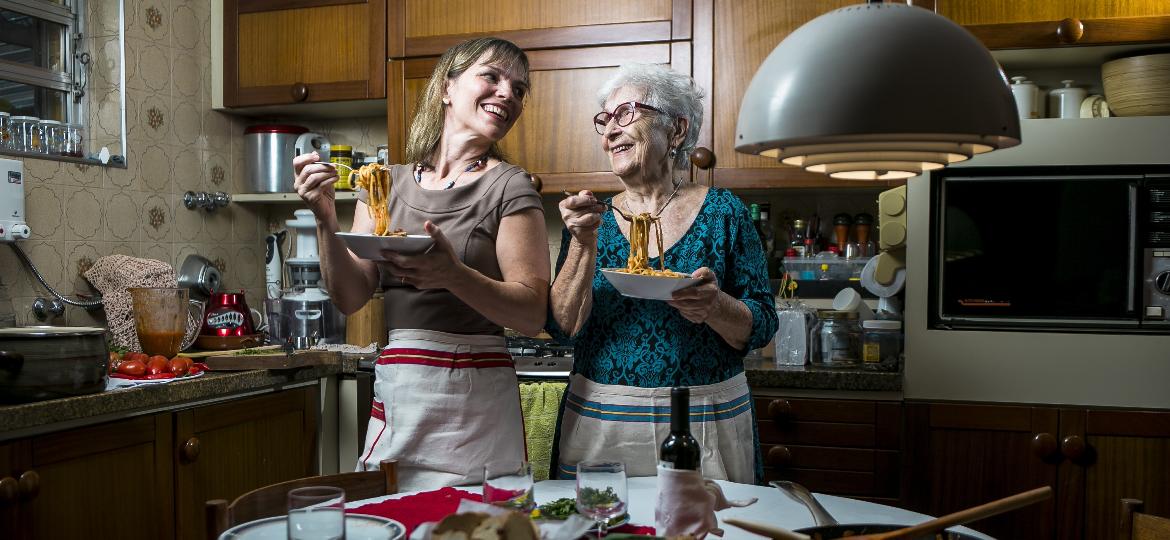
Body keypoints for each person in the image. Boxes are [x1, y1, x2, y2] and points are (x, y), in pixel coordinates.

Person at [292, 37, 549, 490]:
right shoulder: (384, 184)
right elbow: (351, 296)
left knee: (475, 527)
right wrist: (324, 217)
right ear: (447, 88)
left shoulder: (512, 188)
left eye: (519, 89)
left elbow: (531, 314)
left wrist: (454, 276)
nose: (508, 93)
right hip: (403, 392)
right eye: (492, 76)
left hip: (476, 404)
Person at [549, 63, 777, 484]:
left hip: (703, 423)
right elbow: (563, 328)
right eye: (604, 120)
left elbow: (760, 326)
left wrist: (715, 306)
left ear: (676, 131)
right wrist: (582, 243)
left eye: (626, 114)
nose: (609, 132)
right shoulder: (590, 218)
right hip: (602, 423)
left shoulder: (725, 212)